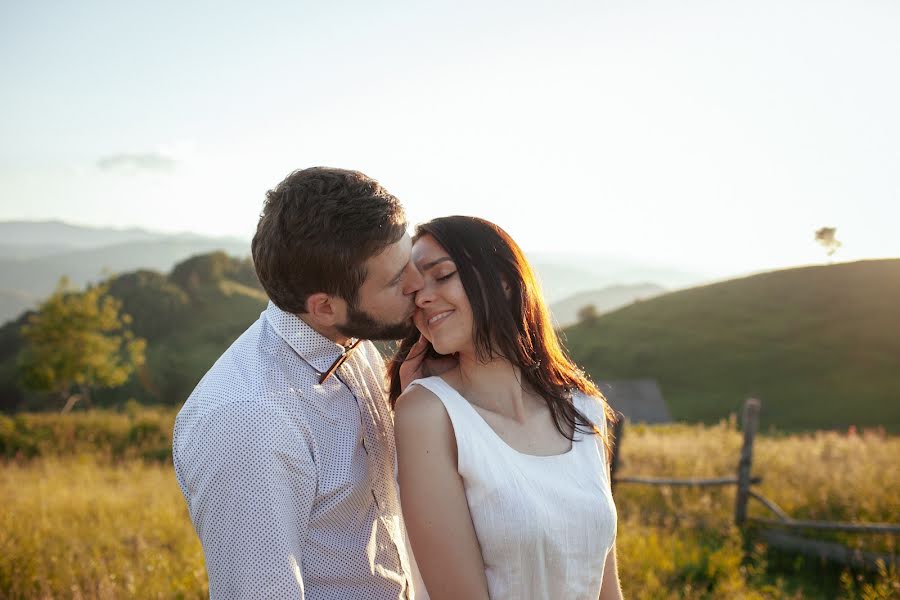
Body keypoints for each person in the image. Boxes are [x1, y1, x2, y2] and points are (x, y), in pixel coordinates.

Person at [173, 167, 427, 599]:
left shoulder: (351, 341)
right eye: (395, 279)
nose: (418, 283)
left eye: (410, 260)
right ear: (324, 307)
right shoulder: (247, 420)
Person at [388, 216, 623, 600]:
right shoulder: (427, 415)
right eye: (413, 289)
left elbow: (604, 586)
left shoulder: (584, 411)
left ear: (505, 281)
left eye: (443, 275)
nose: (423, 297)